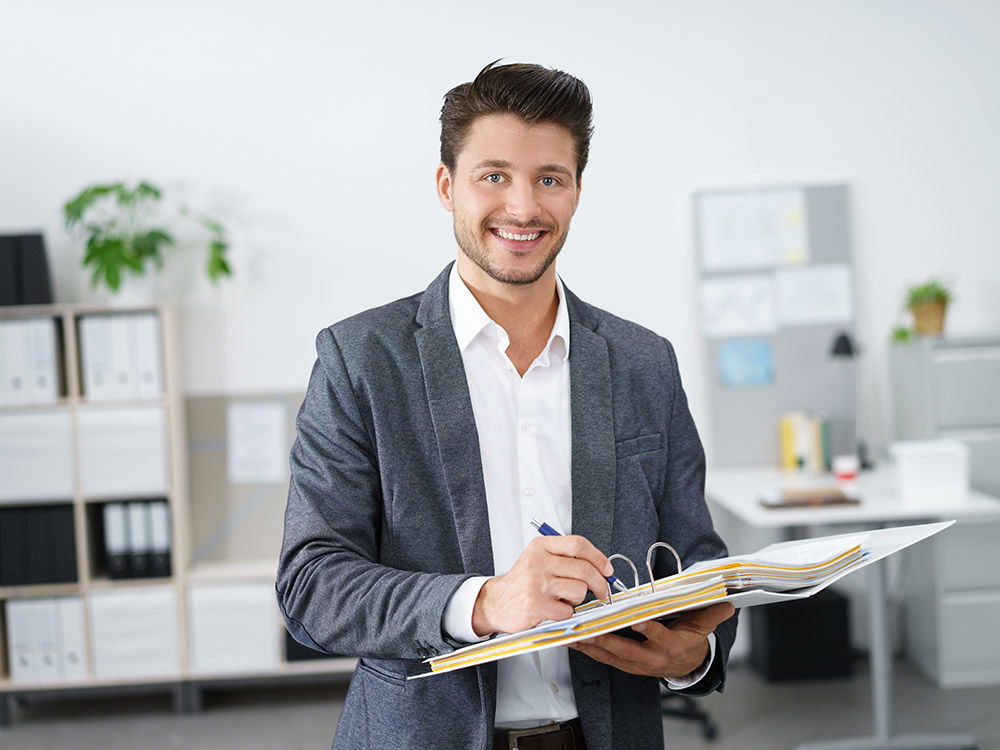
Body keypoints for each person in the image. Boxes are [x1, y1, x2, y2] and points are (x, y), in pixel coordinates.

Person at [277, 60, 737, 750]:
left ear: (576, 191)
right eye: (493, 176)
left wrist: (693, 657)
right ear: (447, 186)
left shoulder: (644, 362)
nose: (522, 208)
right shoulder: (361, 360)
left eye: (549, 179)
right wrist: (484, 603)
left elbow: (697, 563)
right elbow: (312, 586)